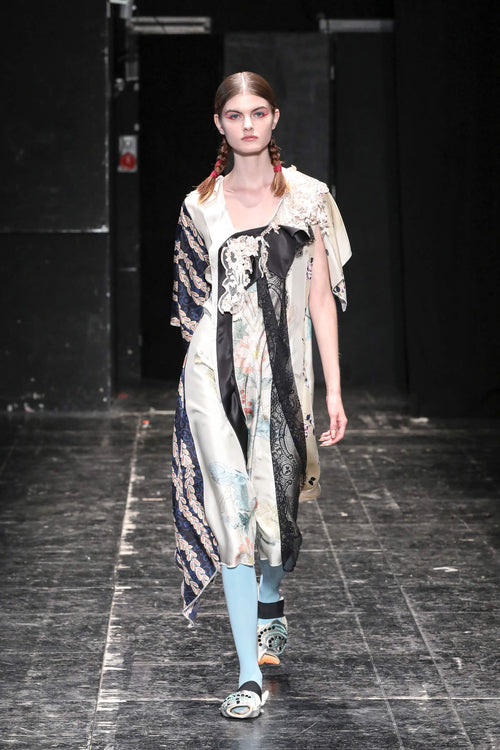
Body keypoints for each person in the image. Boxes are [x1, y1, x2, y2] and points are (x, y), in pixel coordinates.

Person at [170, 71, 351, 719]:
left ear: (274, 119)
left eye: (258, 112)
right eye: (235, 114)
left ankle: (271, 603)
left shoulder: (308, 198)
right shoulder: (199, 204)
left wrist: (333, 389)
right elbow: (191, 304)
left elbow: (320, 298)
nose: (247, 124)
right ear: (220, 124)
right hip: (213, 377)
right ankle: (248, 674)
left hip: (284, 379)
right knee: (233, 517)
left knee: (275, 510)